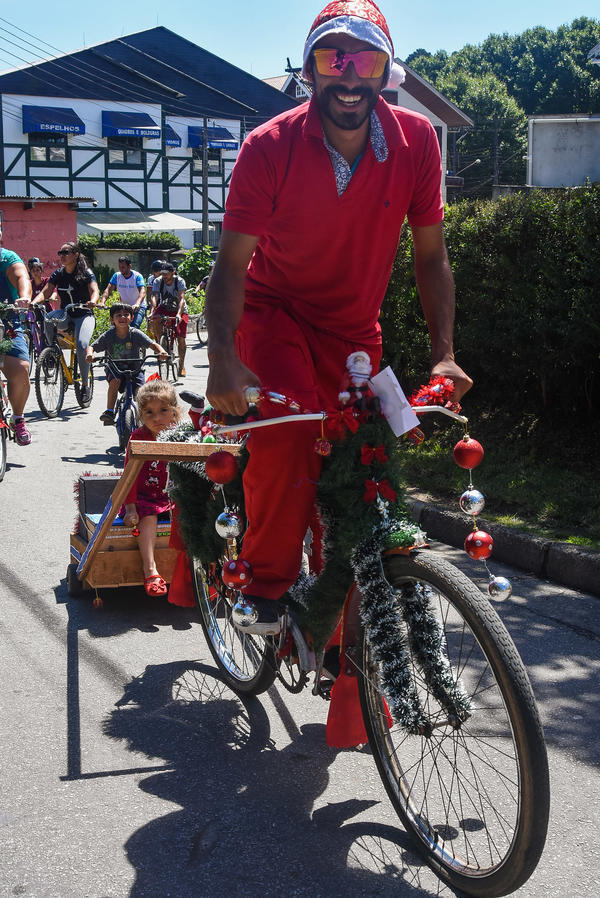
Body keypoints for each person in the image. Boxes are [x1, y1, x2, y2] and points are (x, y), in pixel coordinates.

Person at [205, 0, 473, 635]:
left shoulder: (417, 143)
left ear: (387, 72)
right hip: (274, 314)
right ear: (310, 70)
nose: (349, 76)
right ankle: (266, 585)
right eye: (333, 58)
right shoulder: (267, 148)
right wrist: (223, 359)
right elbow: (229, 265)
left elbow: (431, 255)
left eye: (366, 60)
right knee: (290, 433)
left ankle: (340, 620)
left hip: (353, 328)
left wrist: (445, 351)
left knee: (362, 460)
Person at [121, 379, 183, 596]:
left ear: (174, 411)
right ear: (141, 415)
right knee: (148, 517)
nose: (157, 418)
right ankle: (150, 569)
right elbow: (129, 477)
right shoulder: (138, 437)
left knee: (192, 514)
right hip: (145, 497)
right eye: (149, 412)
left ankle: (195, 571)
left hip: (173, 495)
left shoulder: (181, 435)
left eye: (163, 410)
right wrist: (130, 508)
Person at [34, 241, 99, 402]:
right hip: (66, 313)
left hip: (84, 314)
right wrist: (34, 302)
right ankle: (52, 351)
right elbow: (46, 291)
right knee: (48, 319)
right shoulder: (59, 274)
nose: (62, 256)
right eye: (60, 253)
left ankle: (85, 385)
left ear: (75, 255)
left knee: (82, 345)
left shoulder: (86, 273)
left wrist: (93, 301)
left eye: (66, 252)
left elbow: (94, 290)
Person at [86, 303, 168, 424]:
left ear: (132, 318)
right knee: (115, 382)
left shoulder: (135, 334)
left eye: (126, 315)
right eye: (118, 315)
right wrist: (90, 355)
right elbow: (92, 347)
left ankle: (144, 417)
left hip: (135, 368)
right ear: (111, 319)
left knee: (141, 392)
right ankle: (109, 411)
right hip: (115, 368)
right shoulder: (109, 335)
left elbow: (152, 344)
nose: (122, 317)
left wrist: (162, 351)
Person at [0, 227, 33, 445]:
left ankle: (18, 418)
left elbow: (22, 276)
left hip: (6, 321)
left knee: (21, 368)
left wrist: (23, 297)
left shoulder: (7, 258)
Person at [149, 262, 188, 377]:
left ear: (173, 273)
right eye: (162, 274)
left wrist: (179, 314)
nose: (164, 276)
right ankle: (162, 342)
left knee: (181, 338)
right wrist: (152, 310)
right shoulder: (158, 281)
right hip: (165, 307)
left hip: (179, 309)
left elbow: (181, 298)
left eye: (166, 274)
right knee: (155, 318)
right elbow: (154, 296)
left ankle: (181, 365)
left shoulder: (179, 281)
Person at [101, 256, 147, 328]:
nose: (121, 269)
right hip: (124, 307)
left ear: (129, 266)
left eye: (123, 267)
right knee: (115, 327)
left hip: (138, 307)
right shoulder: (117, 276)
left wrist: (137, 304)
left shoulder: (137, 276)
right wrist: (102, 302)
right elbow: (108, 290)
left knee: (134, 327)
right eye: (119, 267)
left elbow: (142, 291)